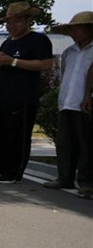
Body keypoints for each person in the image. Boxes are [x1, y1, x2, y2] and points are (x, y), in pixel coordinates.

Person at [0, 2, 53, 184]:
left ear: (29, 20)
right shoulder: (7, 42)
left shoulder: (38, 40)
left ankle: (15, 171)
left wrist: (13, 62)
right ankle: (1, 164)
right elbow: (2, 66)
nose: (11, 26)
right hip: (1, 94)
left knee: (18, 135)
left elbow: (45, 64)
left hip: (22, 97)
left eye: (16, 22)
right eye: (8, 23)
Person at [43, 11, 93, 198]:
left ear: (89, 29)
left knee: (86, 144)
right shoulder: (68, 53)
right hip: (67, 102)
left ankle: (87, 183)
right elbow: (65, 76)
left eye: (77, 28)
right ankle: (65, 177)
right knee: (65, 143)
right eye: (71, 29)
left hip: (86, 104)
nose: (74, 32)